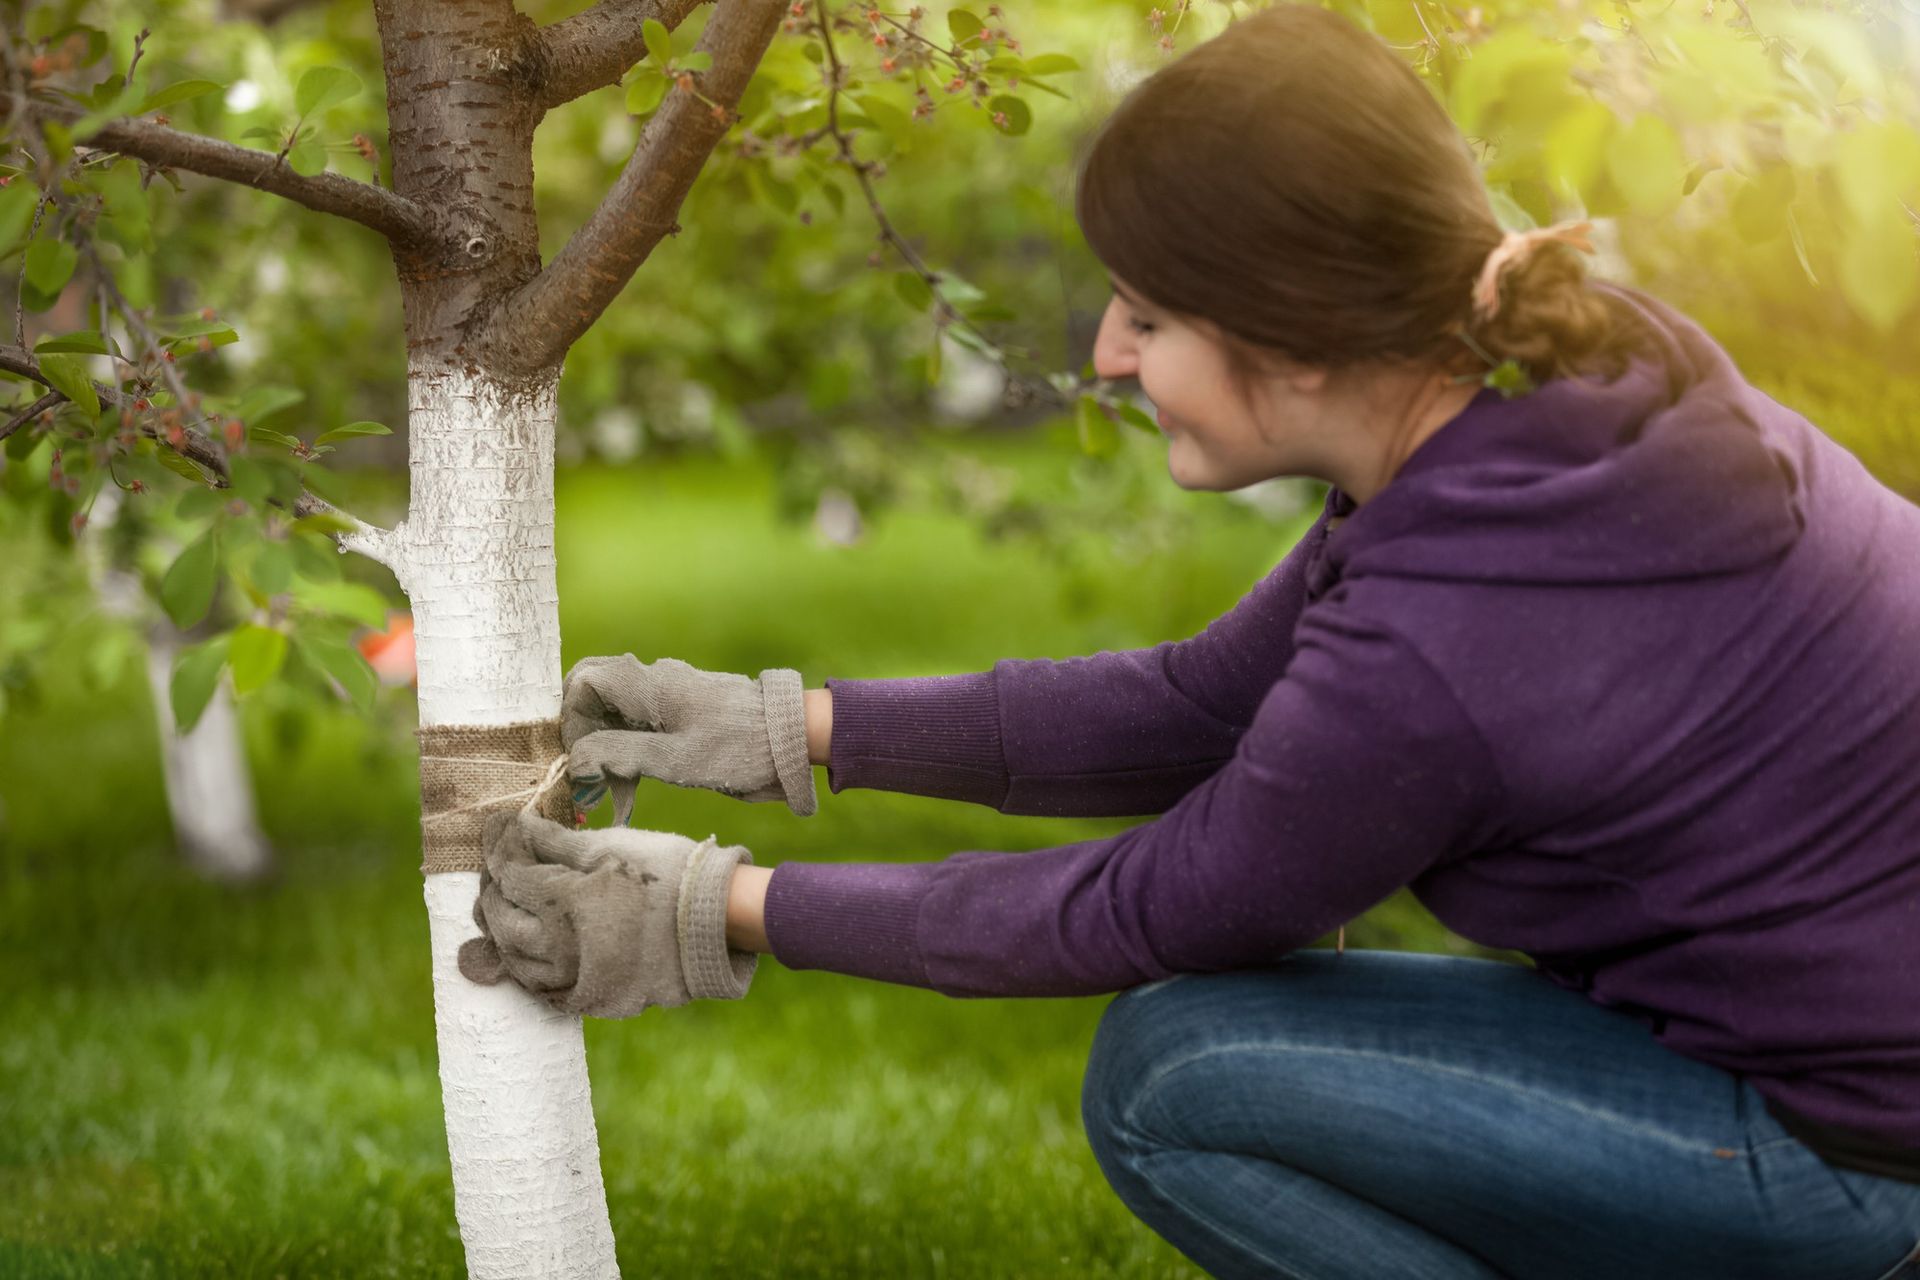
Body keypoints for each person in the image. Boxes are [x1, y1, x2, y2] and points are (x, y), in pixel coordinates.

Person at [456, 7, 1920, 1277]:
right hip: (1850, 1064)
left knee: (1177, 1070)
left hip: (1849, 1164)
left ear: (1292, 338)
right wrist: (793, 725)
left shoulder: (1448, 635)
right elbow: (1199, 705)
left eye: (1149, 318)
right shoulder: (1550, 378)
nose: (1102, 352)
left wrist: (717, 908)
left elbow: (1141, 912)